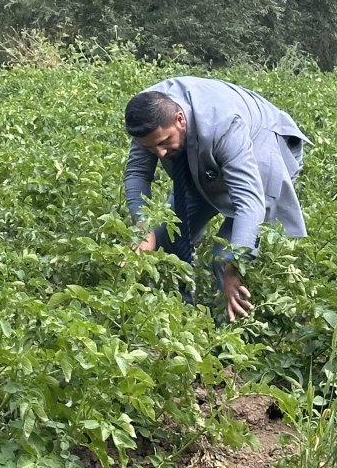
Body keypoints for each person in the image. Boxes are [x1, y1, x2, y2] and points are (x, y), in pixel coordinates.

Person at [123, 77, 309, 321]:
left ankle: (242, 331)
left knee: (224, 256)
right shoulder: (147, 115)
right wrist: (143, 226)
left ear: (180, 119)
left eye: (164, 142)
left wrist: (234, 265)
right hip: (204, 158)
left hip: (263, 144)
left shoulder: (222, 124)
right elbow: (138, 173)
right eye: (151, 148)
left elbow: (249, 200)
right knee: (166, 234)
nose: (160, 154)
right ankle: (182, 312)